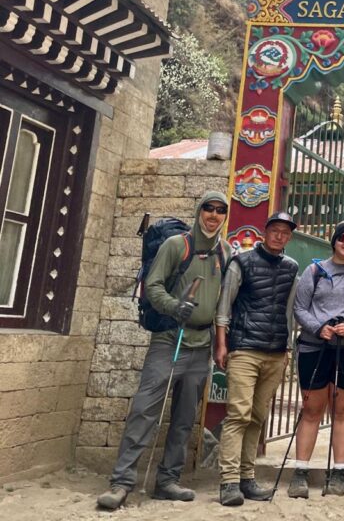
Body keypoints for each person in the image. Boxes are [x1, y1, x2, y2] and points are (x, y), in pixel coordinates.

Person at [97, 191, 229, 510]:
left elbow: (224, 299)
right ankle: (122, 481)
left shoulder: (225, 252)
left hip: (201, 344)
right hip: (170, 338)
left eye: (220, 210)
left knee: (184, 418)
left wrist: (221, 342)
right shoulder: (176, 246)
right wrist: (173, 305)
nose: (213, 214)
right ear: (199, 211)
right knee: (145, 410)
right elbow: (152, 285)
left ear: (225, 216)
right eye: (208, 209)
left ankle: (167, 480)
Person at [289, 220, 344, 498]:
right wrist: (319, 327)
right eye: (343, 238)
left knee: (341, 409)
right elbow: (300, 307)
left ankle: (339, 471)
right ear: (334, 240)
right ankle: (300, 471)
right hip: (315, 346)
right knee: (312, 409)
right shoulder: (314, 271)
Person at [214, 211, 299, 506]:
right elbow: (225, 304)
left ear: (290, 236)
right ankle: (228, 482)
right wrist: (222, 344)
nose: (279, 236)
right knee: (238, 414)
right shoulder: (242, 262)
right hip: (245, 348)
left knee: (258, 416)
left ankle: (247, 478)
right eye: (275, 230)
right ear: (265, 231)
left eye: (285, 232)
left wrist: (287, 349)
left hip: (275, 352)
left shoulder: (291, 267)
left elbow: (288, 313)